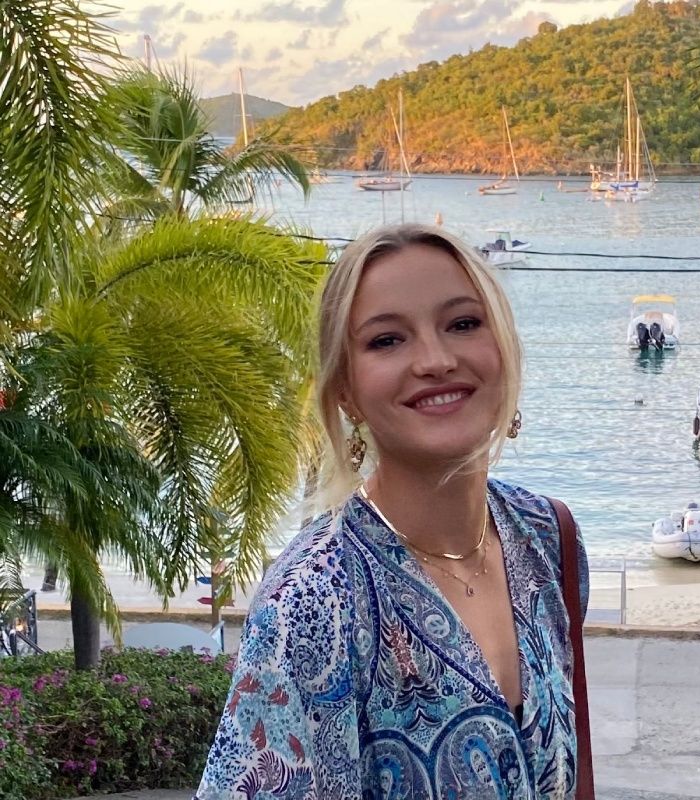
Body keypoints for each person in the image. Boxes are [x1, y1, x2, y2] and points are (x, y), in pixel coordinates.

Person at [194, 223, 589, 799]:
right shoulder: (313, 601)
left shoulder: (548, 537)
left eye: (463, 324)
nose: (435, 360)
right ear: (346, 391)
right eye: (386, 340)